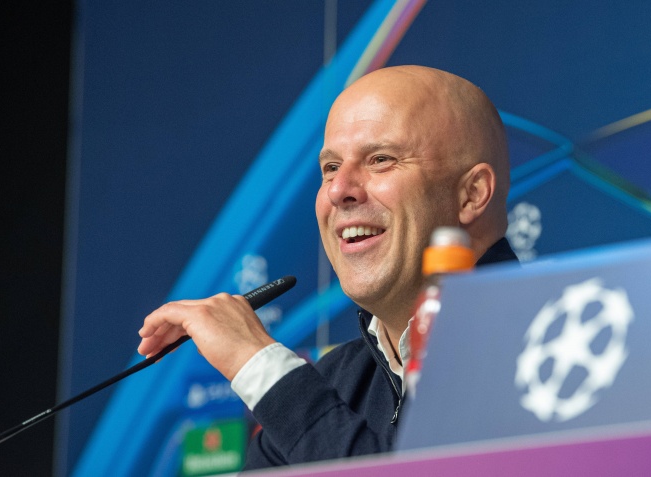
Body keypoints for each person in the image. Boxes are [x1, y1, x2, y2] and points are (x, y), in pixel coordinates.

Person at [137, 65, 517, 469]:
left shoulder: (539, 353)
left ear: (471, 194)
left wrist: (258, 364)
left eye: (380, 159)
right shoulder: (335, 382)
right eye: (331, 168)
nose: (337, 191)